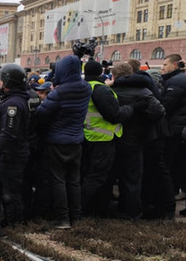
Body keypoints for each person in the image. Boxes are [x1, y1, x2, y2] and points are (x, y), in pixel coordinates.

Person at [35, 55, 91, 229]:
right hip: (76, 140)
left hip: (58, 141)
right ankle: (76, 216)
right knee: (74, 180)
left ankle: (63, 218)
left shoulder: (59, 92)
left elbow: (41, 113)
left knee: (58, 180)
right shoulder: (86, 87)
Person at [111, 63, 165, 219]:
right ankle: (132, 211)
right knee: (133, 177)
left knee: (114, 174)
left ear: (114, 76)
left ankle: (118, 207)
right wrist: (143, 116)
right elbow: (159, 111)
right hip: (137, 139)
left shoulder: (111, 91)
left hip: (114, 138)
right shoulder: (144, 91)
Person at [80, 60, 134, 217]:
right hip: (103, 139)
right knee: (97, 178)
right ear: (101, 73)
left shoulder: (86, 86)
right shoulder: (100, 89)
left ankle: (94, 208)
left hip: (90, 136)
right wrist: (130, 108)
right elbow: (114, 115)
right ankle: (80, 209)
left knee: (91, 176)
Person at [0, 63, 30, 226]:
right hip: (8, 153)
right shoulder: (11, 100)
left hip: (13, 154)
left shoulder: (13, 104)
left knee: (11, 192)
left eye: (1, 80)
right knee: (7, 189)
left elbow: (9, 133)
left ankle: (14, 223)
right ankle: (9, 218)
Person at [160, 54, 186, 202]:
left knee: (172, 163)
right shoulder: (177, 80)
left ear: (175, 65)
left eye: (165, 65)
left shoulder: (175, 82)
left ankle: (170, 193)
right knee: (179, 163)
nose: (163, 68)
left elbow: (166, 106)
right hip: (179, 128)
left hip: (175, 129)